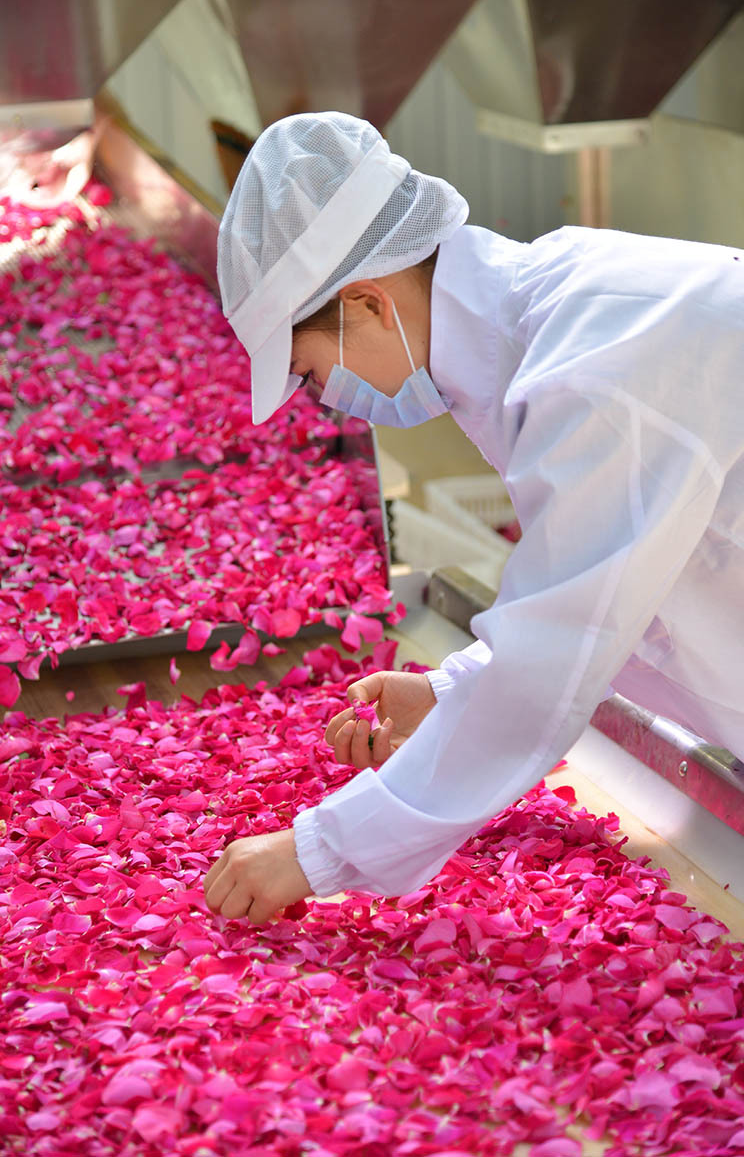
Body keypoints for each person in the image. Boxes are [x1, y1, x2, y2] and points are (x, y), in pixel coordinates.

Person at [204, 110, 744, 926]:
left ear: (370, 304)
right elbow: (609, 597)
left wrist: (317, 851)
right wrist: (449, 695)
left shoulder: (588, 366)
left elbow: (558, 647)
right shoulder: (539, 327)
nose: (328, 403)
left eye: (313, 375)